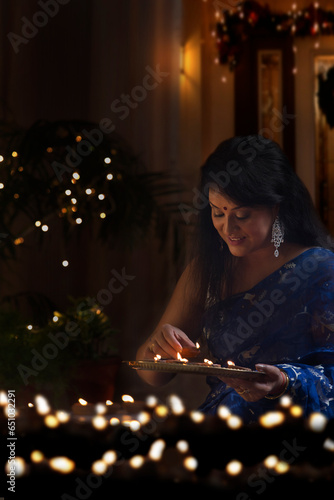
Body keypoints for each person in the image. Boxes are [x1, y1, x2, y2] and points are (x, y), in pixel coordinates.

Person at [136, 135, 334, 423]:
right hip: (222, 432)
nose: (228, 227)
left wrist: (283, 381)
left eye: (242, 214)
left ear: (276, 207)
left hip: (299, 438)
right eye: (218, 213)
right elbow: (151, 376)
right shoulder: (206, 271)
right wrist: (158, 347)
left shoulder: (319, 269)